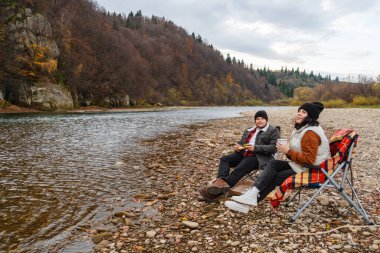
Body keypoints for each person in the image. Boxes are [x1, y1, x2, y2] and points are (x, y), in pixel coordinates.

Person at [225, 102, 331, 213]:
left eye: (304, 112)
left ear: (310, 117)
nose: (299, 114)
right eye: (299, 111)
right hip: (300, 165)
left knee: (276, 177)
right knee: (273, 163)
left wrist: (288, 151)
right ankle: (251, 196)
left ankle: (247, 204)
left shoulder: (310, 133)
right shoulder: (304, 129)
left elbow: (309, 160)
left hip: (312, 169)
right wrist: (288, 150)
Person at [198, 110, 280, 201]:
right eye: (257, 119)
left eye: (262, 119)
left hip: (258, 157)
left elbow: (273, 148)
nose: (260, 120)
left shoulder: (273, 130)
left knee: (239, 169)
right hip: (243, 153)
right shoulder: (249, 130)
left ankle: (213, 194)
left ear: (266, 120)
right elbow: (242, 142)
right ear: (255, 120)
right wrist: (238, 146)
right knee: (225, 159)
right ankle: (220, 183)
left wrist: (255, 148)